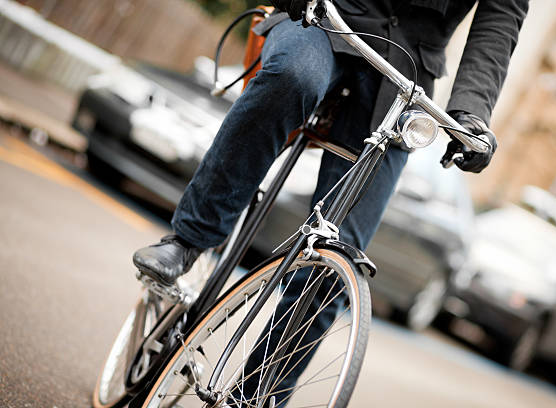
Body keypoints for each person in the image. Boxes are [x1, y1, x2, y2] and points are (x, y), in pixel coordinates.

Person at [133, 0, 528, 403]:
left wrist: (473, 114)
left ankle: (256, 396)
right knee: (293, 77)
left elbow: (499, 19)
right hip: (323, 17)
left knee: (334, 264)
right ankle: (188, 241)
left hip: (405, 73)